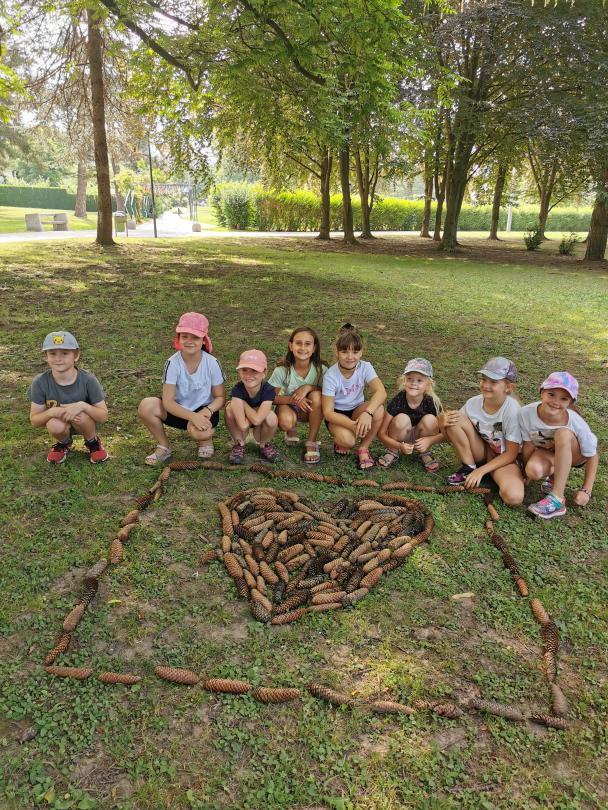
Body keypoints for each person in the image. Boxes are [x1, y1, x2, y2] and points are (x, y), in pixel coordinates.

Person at [138, 312, 225, 465]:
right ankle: (164, 446)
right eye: (185, 336)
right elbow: (168, 401)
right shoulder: (172, 363)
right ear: (178, 339)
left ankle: (205, 439)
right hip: (178, 411)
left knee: (199, 432)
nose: (189, 341)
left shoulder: (212, 363)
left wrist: (206, 412)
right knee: (146, 406)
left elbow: (220, 397)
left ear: (204, 340)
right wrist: (192, 417)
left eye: (195, 337)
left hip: (205, 411)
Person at [440, 356, 524, 505]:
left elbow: (511, 453)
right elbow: (453, 431)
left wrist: (482, 471)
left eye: (493, 382)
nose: (486, 385)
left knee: (514, 497)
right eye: (484, 379)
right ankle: (469, 467)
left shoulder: (512, 410)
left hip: (506, 461)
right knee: (454, 417)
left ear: (508, 387)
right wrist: (438, 428)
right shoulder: (473, 403)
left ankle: (487, 473)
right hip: (483, 452)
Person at [521, 372, 599, 519]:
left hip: (575, 453)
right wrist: (524, 474)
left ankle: (557, 498)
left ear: (570, 402)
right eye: (551, 394)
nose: (556, 401)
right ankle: (554, 477)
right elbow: (528, 445)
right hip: (548, 450)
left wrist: (586, 490)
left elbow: (593, 455)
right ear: (541, 392)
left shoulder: (575, 421)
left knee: (562, 433)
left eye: (563, 398)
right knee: (533, 471)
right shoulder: (526, 413)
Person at [28, 330, 109, 464]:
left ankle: (92, 443)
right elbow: (35, 420)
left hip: (86, 423)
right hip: (60, 423)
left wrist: (82, 406)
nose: (58, 359)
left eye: (65, 353)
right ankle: (63, 443)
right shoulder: (40, 382)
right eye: (52, 354)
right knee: (53, 423)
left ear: (76, 355)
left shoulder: (88, 380)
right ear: (45, 356)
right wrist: (52, 412)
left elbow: (103, 416)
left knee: (80, 416)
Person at [322, 323, 386, 470]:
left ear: (361, 352)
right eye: (344, 352)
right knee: (348, 441)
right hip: (337, 415)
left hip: (357, 410)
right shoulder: (331, 375)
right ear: (336, 352)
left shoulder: (365, 367)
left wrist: (368, 413)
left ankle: (364, 448)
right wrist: (352, 425)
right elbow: (328, 412)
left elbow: (381, 391)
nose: (350, 357)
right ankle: (341, 439)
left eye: (355, 352)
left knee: (378, 409)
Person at [268, 326, 327, 464]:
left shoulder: (321, 370)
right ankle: (291, 428)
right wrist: (293, 400)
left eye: (308, 344)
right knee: (286, 422)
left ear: (314, 348)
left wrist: (308, 387)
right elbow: (270, 398)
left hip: (311, 409)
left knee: (318, 396)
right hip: (288, 407)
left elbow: (329, 394)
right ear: (290, 345)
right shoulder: (282, 370)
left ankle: (312, 441)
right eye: (298, 343)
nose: (303, 348)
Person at [377, 358, 444, 473]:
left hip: (421, 438)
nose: (414, 383)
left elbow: (446, 433)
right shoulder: (398, 400)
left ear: (428, 384)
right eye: (410, 379)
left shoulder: (432, 402)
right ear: (404, 381)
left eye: (419, 380)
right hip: (401, 437)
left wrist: (429, 440)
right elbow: (381, 433)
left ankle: (425, 452)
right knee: (401, 418)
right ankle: (392, 451)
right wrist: (398, 445)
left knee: (431, 419)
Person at [225, 349, 280, 464]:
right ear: (239, 371)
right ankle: (239, 443)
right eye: (244, 370)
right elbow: (243, 425)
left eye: (254, 371)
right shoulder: (237, 389)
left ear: (264, 372)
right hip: (242, 430)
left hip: (259, 430)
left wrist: (243, 404)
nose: (248, 375)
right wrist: (254, 410)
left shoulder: (268, 390)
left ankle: (264, 444)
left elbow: (257, 420)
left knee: (272, 417)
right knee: (229, 410)